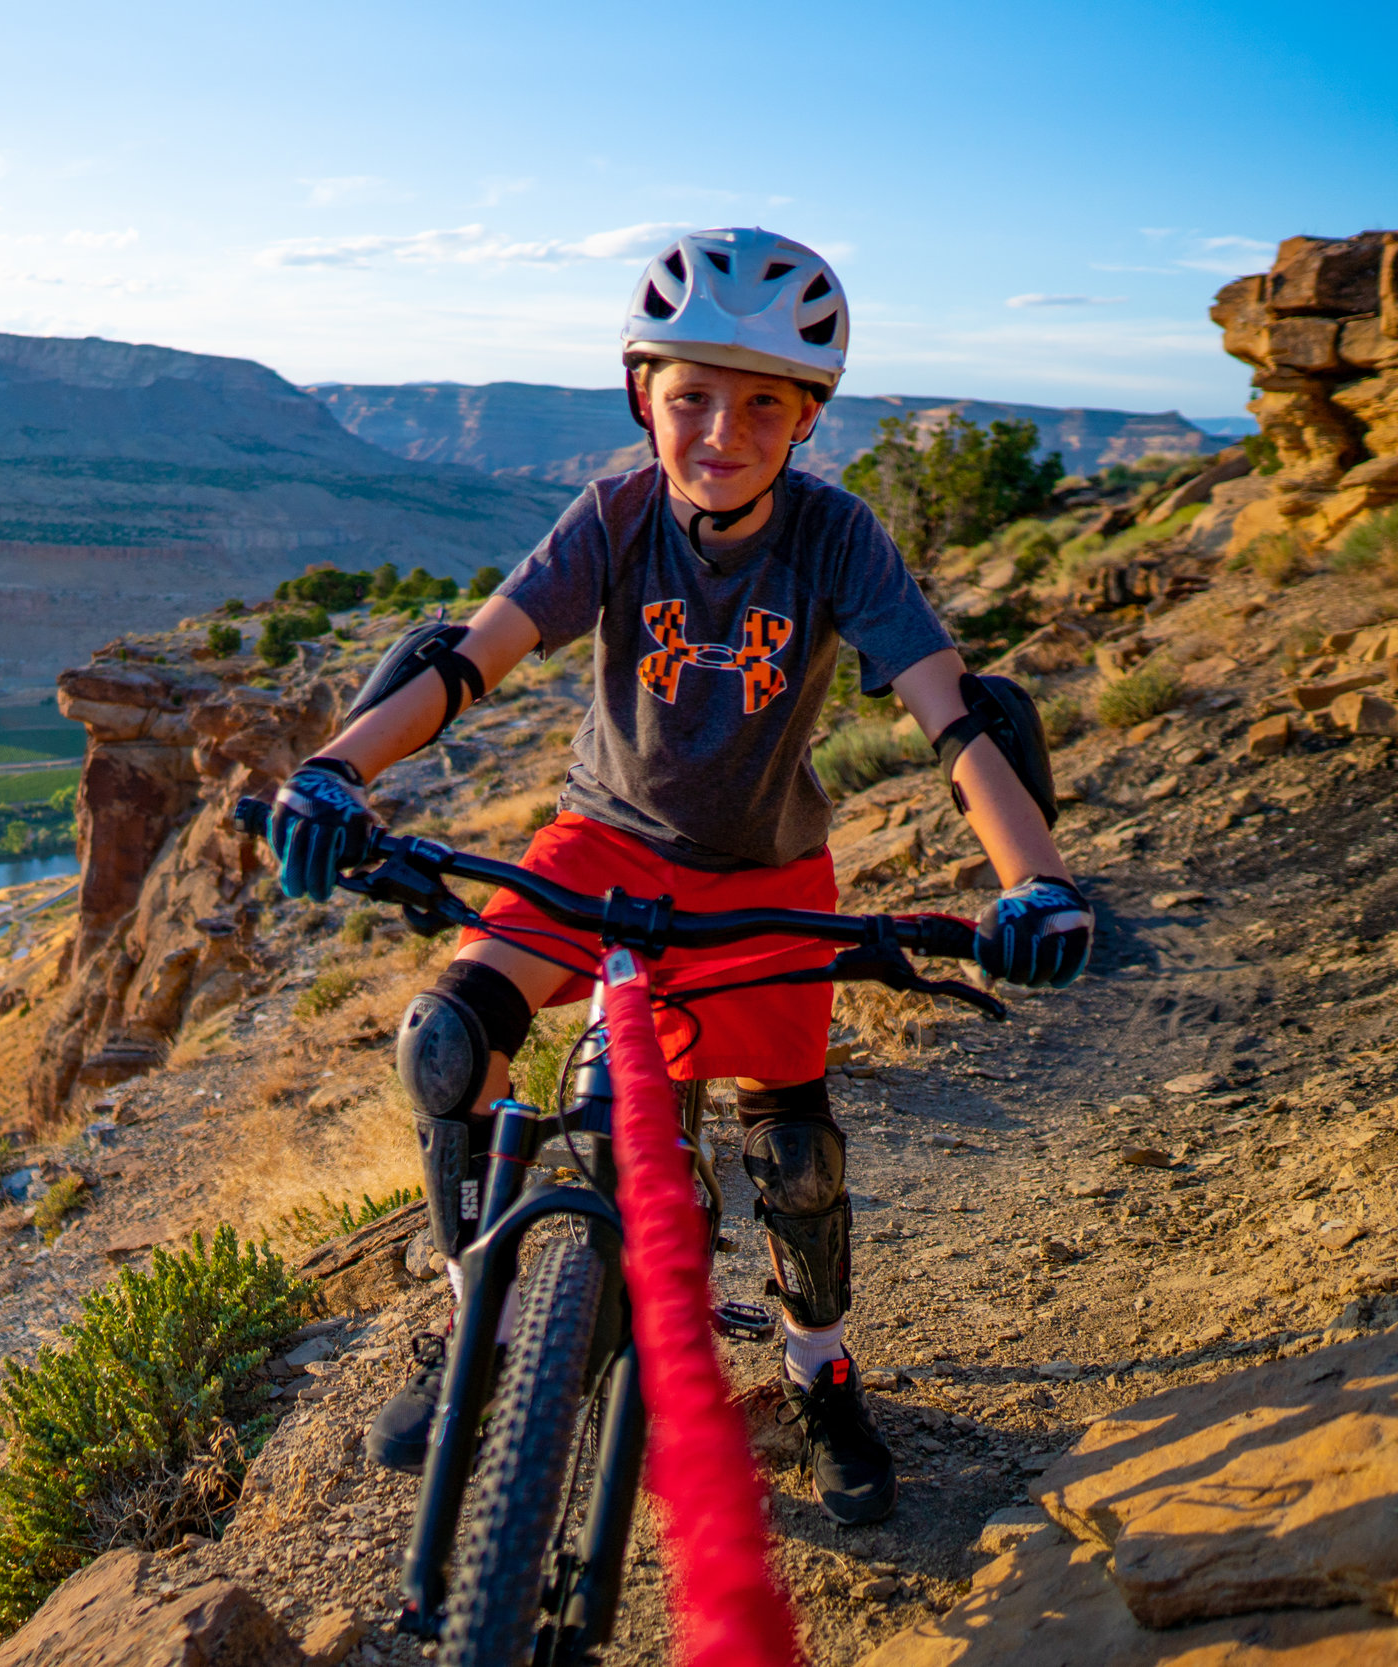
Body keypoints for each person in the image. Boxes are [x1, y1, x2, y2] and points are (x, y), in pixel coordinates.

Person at [262, 228, 1090, 1527]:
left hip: (766, 877)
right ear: (642, 393)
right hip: (600, 843)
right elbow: (467, 660)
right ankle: (477, 1317)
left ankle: (820, 1375)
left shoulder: (834, 539)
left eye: (762, 400)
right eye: (691, 394)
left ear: (807, 416)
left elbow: (955, 718)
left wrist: (1035, 880)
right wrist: (332, 768)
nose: (721, 429)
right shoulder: (615, 519)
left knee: (796, 1153)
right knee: (445, 1040)